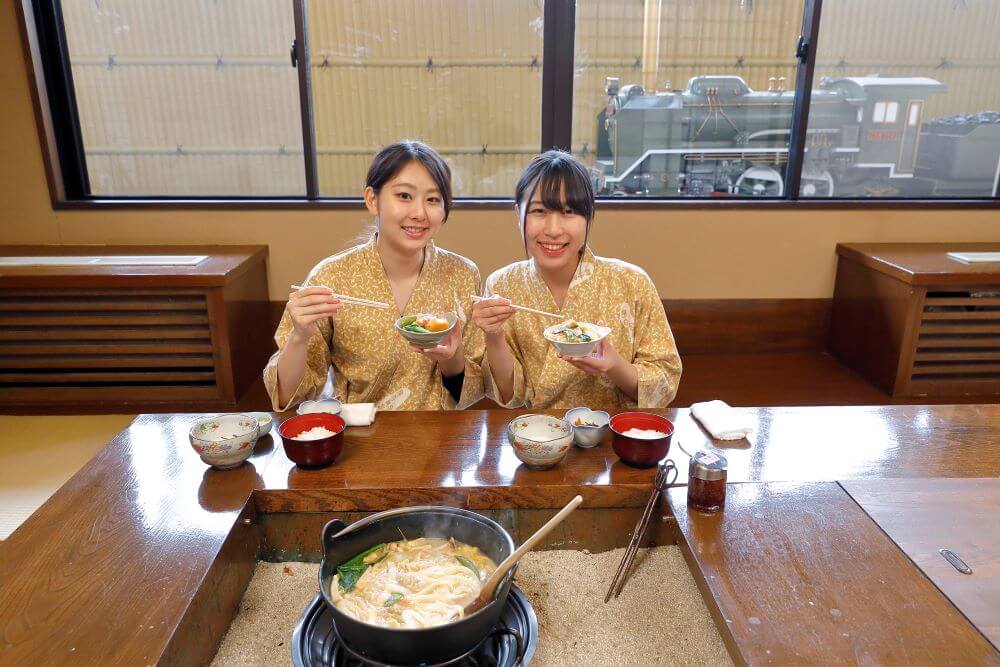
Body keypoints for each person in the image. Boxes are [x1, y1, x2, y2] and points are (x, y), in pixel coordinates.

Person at [264, 141, 485, 411]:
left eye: (433, 199)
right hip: (359, 432)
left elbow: (473, 390)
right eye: (404, 195)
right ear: (372, 199)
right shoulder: (331, 277)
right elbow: (289, 397)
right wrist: (299, 336)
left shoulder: (462, 274)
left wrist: (451, 360)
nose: (419, 213)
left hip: (440, 432)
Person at [472, 150, 681, 409]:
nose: (553, 230)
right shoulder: (503, 284)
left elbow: (665, 383)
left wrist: (614, 366)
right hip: (540, 431)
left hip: (614, 430)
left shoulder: (632, 282)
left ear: (589, 215)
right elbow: (508, 395)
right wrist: (493, 335)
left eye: (569, 211)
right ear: (518, 214)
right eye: (538, 211)